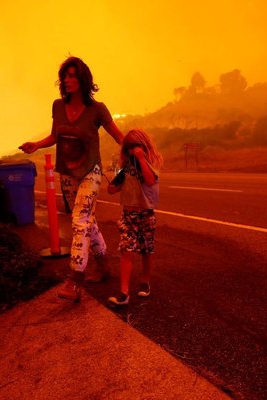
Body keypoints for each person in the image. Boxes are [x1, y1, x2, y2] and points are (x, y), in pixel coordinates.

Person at [19, 56, 123, 302]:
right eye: (65, 76)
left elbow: (119, 137)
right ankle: (104, 266)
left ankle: (74, 279)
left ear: (83, 79)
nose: (67, 80)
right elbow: (55, 135)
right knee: (88, 221)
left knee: (79, 219)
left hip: (90, 172)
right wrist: (36, 145)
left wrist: (138, 152)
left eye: (73, 75)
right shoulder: (57, 106)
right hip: (67, 174)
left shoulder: (97, 109)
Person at [107, 129, 162, 306]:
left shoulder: (151, 162)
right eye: (130, 147)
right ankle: (124, 292)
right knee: (126, 249)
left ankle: (145, 281)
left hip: (146, 213)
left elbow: (150, 180)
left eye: (137, 146)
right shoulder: (127, 167)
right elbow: (114, 187)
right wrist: (113, 187)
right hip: (128, 214)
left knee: (147, 249)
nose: (133, 150)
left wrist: (140, 158)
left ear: (144, 145)